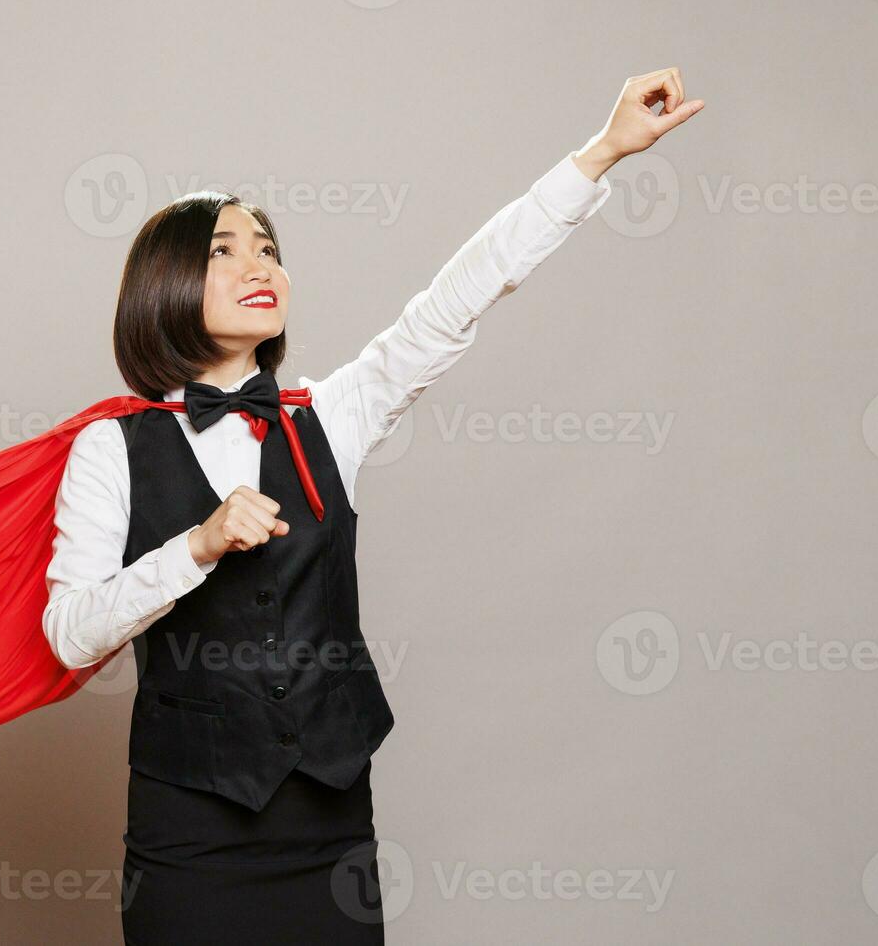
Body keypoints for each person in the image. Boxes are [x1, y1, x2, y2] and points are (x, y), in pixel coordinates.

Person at [40, 69, 704, 944]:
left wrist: (601, 152)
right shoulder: (109, 447)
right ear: (163, 283)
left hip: (327, 829)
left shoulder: (337, 412)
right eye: (224, 250)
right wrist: (194, 547)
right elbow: (69, 633)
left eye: (268, 247)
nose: (259, 264)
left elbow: (457, 297)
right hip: (188, 835)